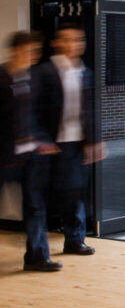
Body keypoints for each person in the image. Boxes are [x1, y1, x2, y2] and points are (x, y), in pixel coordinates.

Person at [34, 23, 102, 262]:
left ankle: (75, 240)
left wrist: (94, 141)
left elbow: (89, 110)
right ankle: (37, 248)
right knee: (46, 195)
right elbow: (35, 110)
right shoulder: (43, 72)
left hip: (75, 143)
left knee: (76, 192)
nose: (74, 44)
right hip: (49, 145)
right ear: (56, 43)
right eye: (68, 39)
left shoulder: (85, 71)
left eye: (78, 40)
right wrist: (41, 139)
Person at [0, 31, 53, 270]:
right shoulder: (1, 76)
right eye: (28, 51)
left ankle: (37, 256)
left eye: (35, 51)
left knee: (35, 205)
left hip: (31, 155)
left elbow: (41, 114)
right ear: (14, 51)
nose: (33, 55)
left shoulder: (36, 77)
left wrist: (43, 140)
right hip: (3, 154)